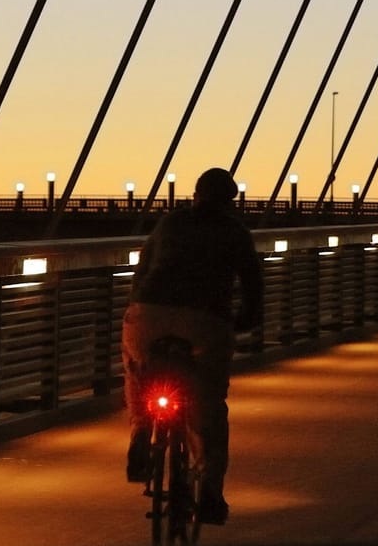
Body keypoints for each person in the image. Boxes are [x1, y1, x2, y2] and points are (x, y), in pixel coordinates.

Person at [122, 167, 264, 526]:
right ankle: (212, 493)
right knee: (209, 405)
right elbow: (252, 284)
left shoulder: (169, 223)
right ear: (230, 201)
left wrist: (138, 307)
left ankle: (141, 428)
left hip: (149, 313)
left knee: (137, 368)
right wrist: (247, 318)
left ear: (195, 193)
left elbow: (142, 271)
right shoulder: (235, 232)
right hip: (204, 321)